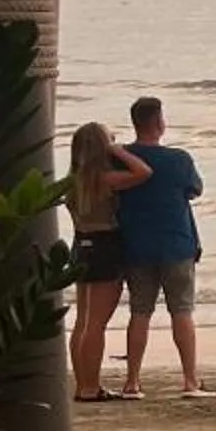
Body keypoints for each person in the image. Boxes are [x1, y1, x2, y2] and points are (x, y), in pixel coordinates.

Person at [115, 93, 214, 402]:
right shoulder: (178, 160)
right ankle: (189, 379)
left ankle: (132, 381)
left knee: (139, 312)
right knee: (182, 311)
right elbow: (194, 190)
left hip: (136, 243)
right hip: (176, 243)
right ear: (159, 122)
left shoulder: (120, 157)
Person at [64, 121, 151, 403]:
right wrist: (118, 149)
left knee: (83, 321)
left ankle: (83, 384)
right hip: (104, 246)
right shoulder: (105, 178)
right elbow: (143, 172)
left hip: (81, 245)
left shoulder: (73, 181)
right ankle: (91, 387)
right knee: (96, 323)